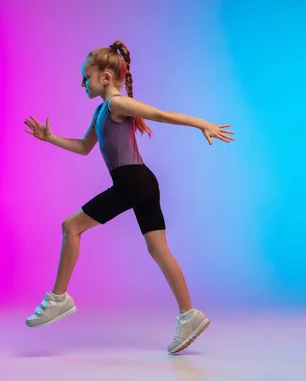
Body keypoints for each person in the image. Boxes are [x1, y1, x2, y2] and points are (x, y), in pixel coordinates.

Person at [23, 40, 234, 353]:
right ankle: (189, 315)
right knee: (158, 250)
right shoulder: (100, 111)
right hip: (142, 181)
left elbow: (159, 114)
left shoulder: (116, 105)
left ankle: (58, 299)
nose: (82, 82)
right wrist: (50, 137)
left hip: (133, 182)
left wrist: (202, 123)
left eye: (86, 76)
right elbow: (84, 148)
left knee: (71, 226)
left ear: (106, 78)